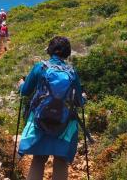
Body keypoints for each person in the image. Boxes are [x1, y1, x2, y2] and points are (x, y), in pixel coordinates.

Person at [17, 36, 86, 180]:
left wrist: (21, 84)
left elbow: (25, 92)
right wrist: (84, 97)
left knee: (38, 159)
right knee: (61, 160)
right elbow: (79, 101)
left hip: (40, 121)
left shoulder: (40, 67)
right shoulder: (72, 72)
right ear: (67, 53)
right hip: (64, 123)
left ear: (50, 50)